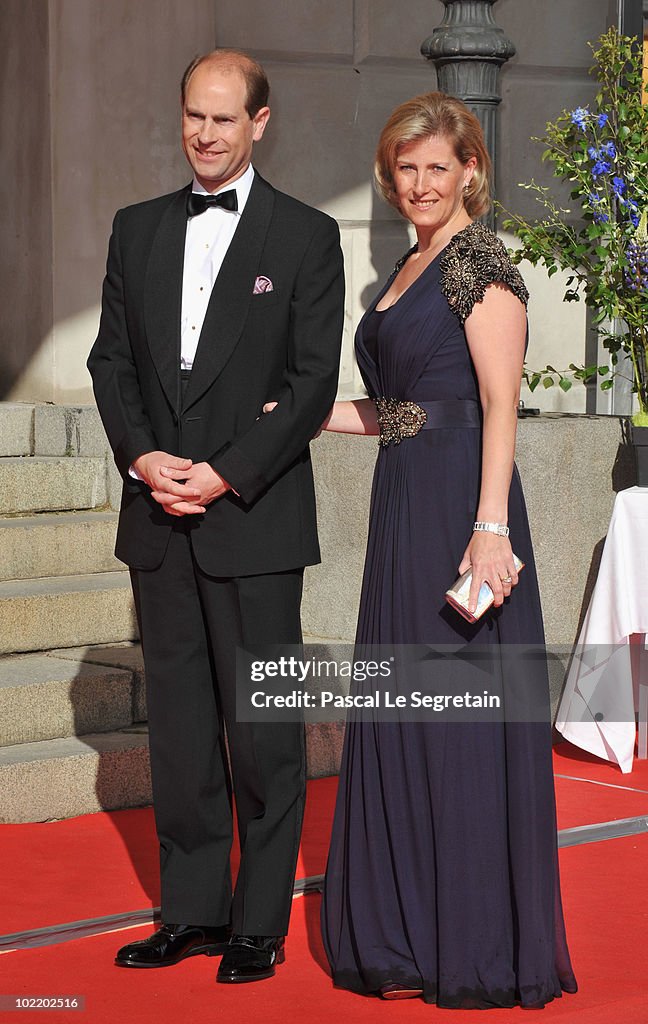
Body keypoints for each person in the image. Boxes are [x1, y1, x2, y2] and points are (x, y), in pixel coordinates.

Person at [87, 48, 344, 984]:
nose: (204, 133)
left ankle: (258, 922)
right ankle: (191, 911)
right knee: (182, 731)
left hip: (255, 518)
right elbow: (111, 361)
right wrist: (142, 456)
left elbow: (312, 383)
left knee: (264, 734)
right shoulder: (137, 228)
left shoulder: (308, 236)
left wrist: (225, 473)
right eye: (194, 114)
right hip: (159, 515)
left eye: (224, 118)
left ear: (259, 124)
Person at [318, 92, 578, 1008]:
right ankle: (407, 932)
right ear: (389, 175)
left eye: (438, 167)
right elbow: (405, 411)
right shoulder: (411, 263)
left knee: (457, 723)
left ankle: (469, 943)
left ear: (471, 171)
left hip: (462, 511)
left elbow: (498, 405)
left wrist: (490, 527)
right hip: (406, 502)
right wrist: (298, 415)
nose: (421, 184)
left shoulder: (478, 263)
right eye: (406, 168)